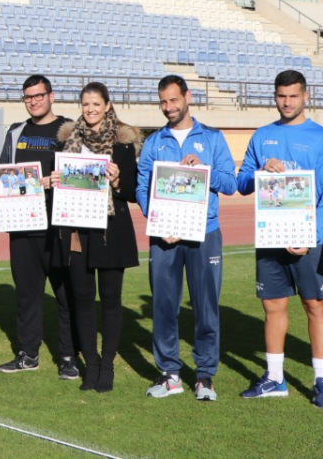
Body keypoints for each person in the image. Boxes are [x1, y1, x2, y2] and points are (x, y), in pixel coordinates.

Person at [235, 70, 323, 407]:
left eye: (293, 96)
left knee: (315, 306)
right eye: (281, 96)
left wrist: (313, 236)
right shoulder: (262, 135)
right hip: (272, 236)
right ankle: (275, 378)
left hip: (309, 239)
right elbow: (241, 184)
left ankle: (321, 381)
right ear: (275, 96)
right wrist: (260, 172)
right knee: (273, 306)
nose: (287, 102)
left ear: (305, 96)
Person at [136, 75, 237, 401]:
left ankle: (205, 377)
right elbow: (142, 187)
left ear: (187, 97)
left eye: (173, 100)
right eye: (163, 102)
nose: (168, 108)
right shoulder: (154, 142)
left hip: (204, 233)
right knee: (164, 307)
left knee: (206, 308)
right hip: (164, 235)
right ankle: (170, 374)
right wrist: (156, 219)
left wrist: (203, 168)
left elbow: (230, 183)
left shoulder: (211, 138)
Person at [54, 82, 142, 393]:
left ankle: (107, 365)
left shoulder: (124, 144)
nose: (90, 109)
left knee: (110, 301)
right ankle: (90, 364)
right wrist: (56, 180)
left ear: (107, 105)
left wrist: (117, 181)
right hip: (77, 231)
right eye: (85, 104)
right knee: (82, 301)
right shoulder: (67, 143)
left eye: (96, 104)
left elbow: (132, 192)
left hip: (110, 231)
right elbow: (63, 183)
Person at [0, 74, 79, 380]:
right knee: (27, 294)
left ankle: (68, 356)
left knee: (64, 293)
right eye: (28, 97)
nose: (33, 101)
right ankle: (28, 354)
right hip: (23, 225)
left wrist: (52, 183)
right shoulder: (16, 132)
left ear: (51, 96)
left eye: (38, 95)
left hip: (59, 225)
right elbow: (6, 170)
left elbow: (82, 174)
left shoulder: (70, 129)